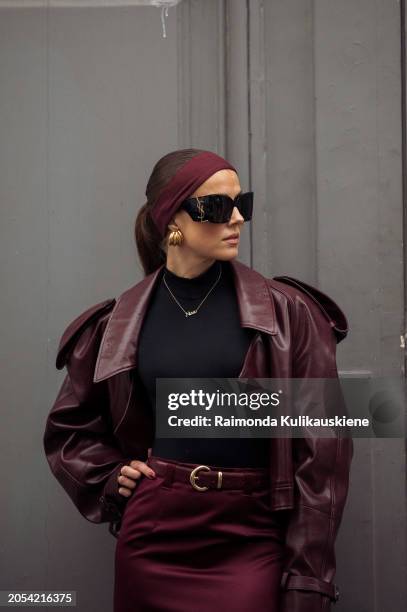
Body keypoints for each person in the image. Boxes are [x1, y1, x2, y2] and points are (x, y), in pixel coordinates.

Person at [43, 148, 353, 612]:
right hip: (152, 539)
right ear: (172, 221)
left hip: (251, 535)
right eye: (215, 207)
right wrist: (111, 478)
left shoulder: (290, 313)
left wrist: (308, 576)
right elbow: (70, 428)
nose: (236, 220)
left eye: (241, 203)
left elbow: (323, 453)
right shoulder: (118, 322)